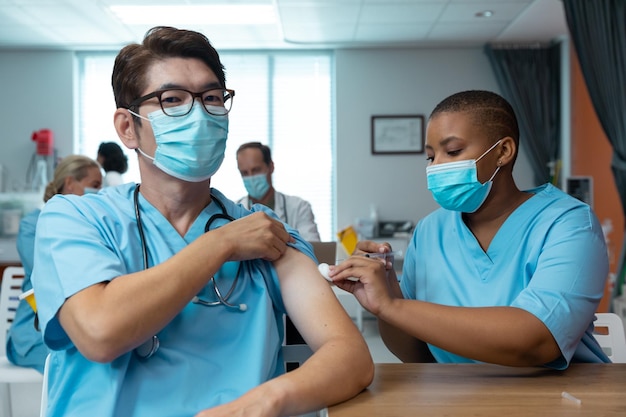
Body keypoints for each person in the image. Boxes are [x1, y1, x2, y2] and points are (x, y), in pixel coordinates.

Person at [31, 26, 373, 417]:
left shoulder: (266, 232)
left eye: (211, 98)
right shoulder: (75, 218)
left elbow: (350, 357)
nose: (199, 113)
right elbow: (100, 333)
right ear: (128, 127)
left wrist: (259, 404)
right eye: (172, 100)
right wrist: (220, 244)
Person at [329, 90, 610, 369]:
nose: (437, 166)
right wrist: (387, 299)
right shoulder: (430, 232)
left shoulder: (568, 223)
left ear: (503, 151)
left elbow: (538, 342)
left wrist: (395, 307)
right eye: (430, 157)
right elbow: (417, 355)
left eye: (452, 151)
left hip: (563, 398)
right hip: (460, 398)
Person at [6, 155, 102, 373]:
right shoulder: (33, 224)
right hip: (33, 334)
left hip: (80, 325)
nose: (99, 192)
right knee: (82, 366)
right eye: (95, 186)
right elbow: (57, 274)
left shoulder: (91, 225)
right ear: (70, 183)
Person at [236, 141, 321, 242]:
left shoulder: (299, 207)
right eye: (245, 173)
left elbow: (314, 249)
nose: (251, 177)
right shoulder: (233, 212)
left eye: (256, 170)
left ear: (271, 167)